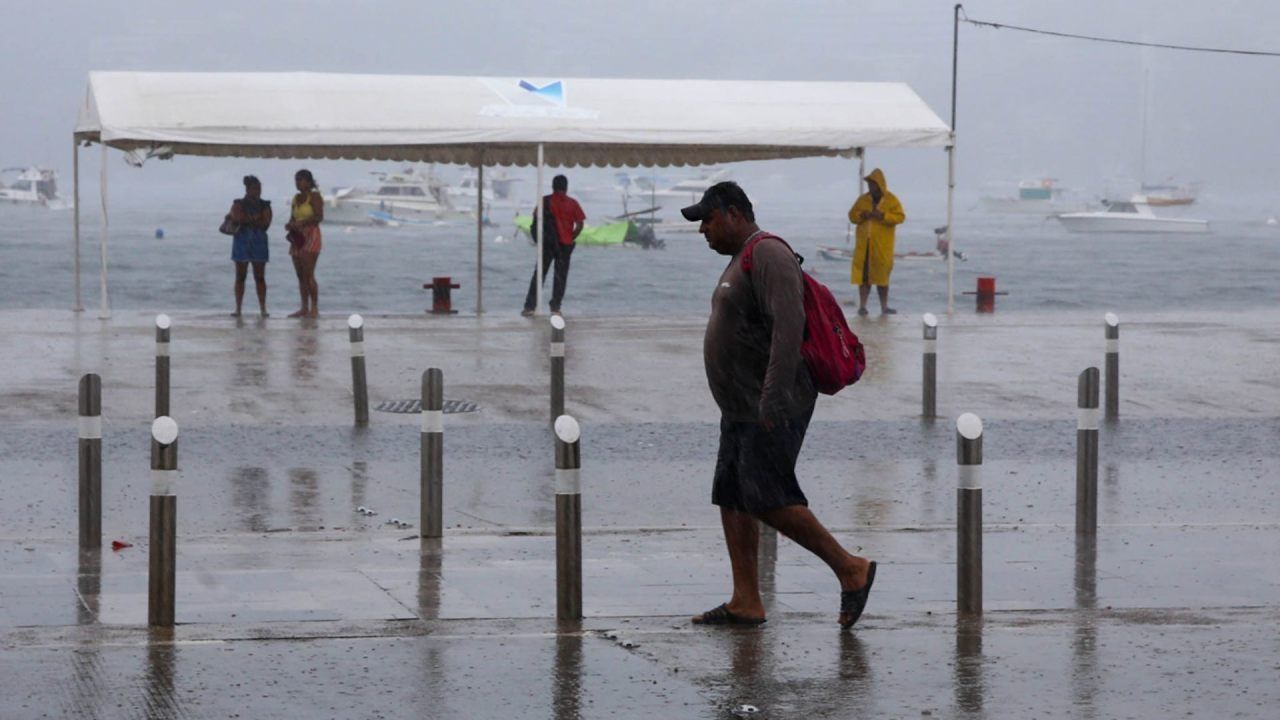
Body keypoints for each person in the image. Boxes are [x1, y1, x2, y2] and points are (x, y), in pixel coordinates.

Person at [682, 181, 876, 629]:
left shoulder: (767, 253)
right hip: (740, 406)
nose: (703, 231)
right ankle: (746, 599)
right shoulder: (741, 258)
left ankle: (851, 569)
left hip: (770, 402)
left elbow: (790, 326)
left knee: (768, 497)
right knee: (731, 495)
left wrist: (773, 395)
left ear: (733, 213)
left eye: (707, 220)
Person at [521, 174, 585, 316]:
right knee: (560, 277)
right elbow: (580, 225)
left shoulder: (544, 201)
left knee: (539, 275)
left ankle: (529, 307)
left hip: (547, 244)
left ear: (553, 186)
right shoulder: (573, 203)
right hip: (565, 246)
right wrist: (571, 237)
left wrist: (540, 241)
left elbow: (535, 222)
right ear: (566, 187)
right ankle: (555, 308)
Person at [848, 168, 906, 316]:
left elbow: (900, 217)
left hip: (882, 247)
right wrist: (862, 214)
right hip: (864, 246)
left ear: (880, 185)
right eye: (869, 185)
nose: (870, 187)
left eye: (873, 184)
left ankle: (884, 306)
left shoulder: (891, 200)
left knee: (882, 278)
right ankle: (862, 306)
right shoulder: (863, 200)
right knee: (864, 278)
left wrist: (883, 216)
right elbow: (852, 216)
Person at [227, 175, 272, 317]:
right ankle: (238, 308)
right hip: (244, 240)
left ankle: (263, 308)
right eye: (254, 188)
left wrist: (247, 220)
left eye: (259, 189)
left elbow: (265, 223)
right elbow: (237, 218)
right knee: (240, 276)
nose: (257, 191)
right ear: (247, 189)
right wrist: (254, 220)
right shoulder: (239, 203)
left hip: (255, 240)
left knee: (260, 276)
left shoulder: (264, 204)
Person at [286, 169, 324, 318]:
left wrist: (303, 222)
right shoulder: (296, 198)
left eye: (300, 180)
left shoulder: (314, 196)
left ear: (308, 182)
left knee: (309, 274)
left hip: (311, 234)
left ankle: (314, 307)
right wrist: (290, 224)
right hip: (297, 236)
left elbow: (319, 217)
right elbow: (292, 217)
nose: (298, 183)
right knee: (300, 275)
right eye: (296, 180)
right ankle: (303, 307)